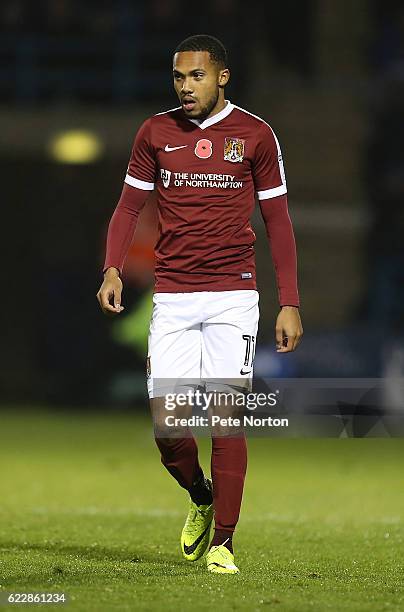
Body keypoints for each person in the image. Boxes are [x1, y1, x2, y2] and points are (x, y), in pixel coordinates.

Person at [97, 34, 303, 574]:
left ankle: (225, 545)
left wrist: (290, 301)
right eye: (179, 77)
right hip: (173, 296)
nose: (186, 87)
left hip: (234, 295)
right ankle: (200, 495)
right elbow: (127, 206)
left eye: (196, 76)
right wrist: (112, 267)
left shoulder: (255, 135)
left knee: (225, 417)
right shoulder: (155, 132)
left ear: (222, 77)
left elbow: (278, 221)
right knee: (168, 428)